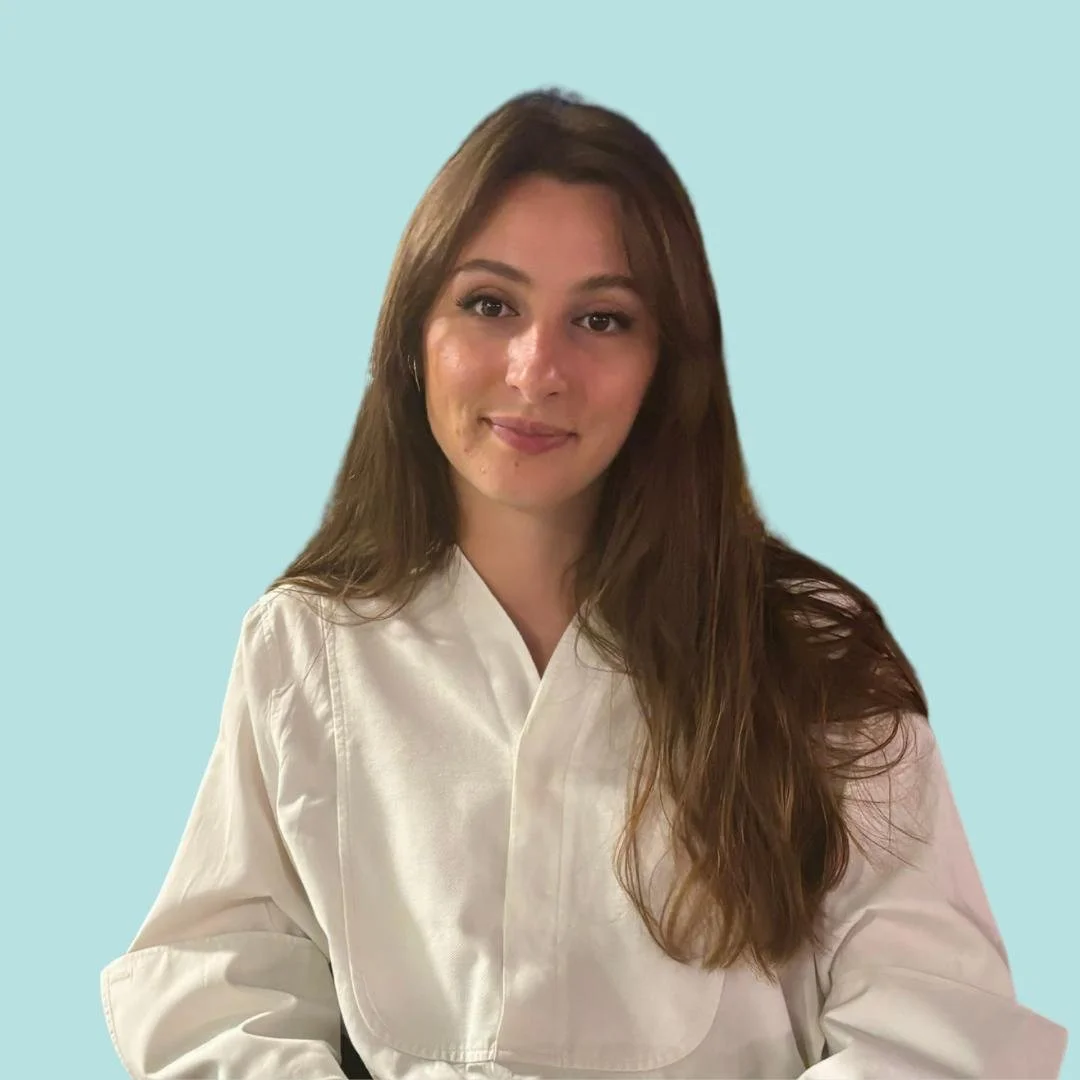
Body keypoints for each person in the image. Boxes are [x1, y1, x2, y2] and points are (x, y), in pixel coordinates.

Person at [100, 87, 1068, 1079]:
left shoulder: (810, 654)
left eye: (602, 319)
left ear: (668, 364)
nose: (536, 370)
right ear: (412, 335)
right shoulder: (307, 646)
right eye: (490, 305)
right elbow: (216, 984)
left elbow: (934, 1024)